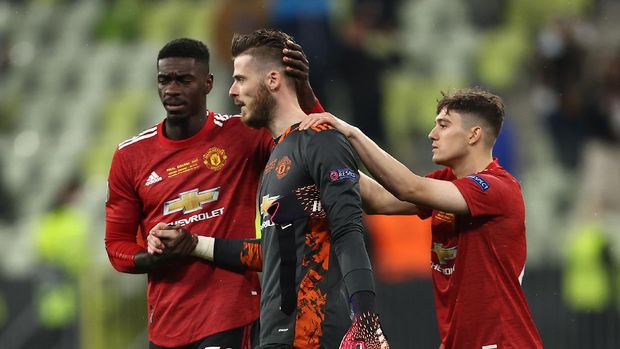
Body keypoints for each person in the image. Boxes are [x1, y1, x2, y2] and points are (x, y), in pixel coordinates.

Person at [148, 29, 389, 349]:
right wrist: (192, 243)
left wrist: (366, 320)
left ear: (273, 80)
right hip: (276, 335)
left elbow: (347, 230)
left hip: (312, 335)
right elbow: (273, 250)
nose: (232, 91)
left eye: (241, 79)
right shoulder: (277, 157)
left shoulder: (320, 140)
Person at [104, 37, 322, 349]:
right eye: (165, 80)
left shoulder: (244, 135)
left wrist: (305, 91)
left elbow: (314, 146)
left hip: (230, 316)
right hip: (165, 327)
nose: (172, 89)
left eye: (184, 80)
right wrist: (153, 258)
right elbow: (116, 245)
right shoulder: (130, 156)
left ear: (208, 84)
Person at [298, 88, 543, 348]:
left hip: (501, 342)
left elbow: (408, 187)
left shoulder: (498, 188)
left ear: (474, 135)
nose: (432, 134)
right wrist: (324, 146)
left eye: (444, 125)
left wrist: (352, 132)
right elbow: (378, 199)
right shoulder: (446, 182)